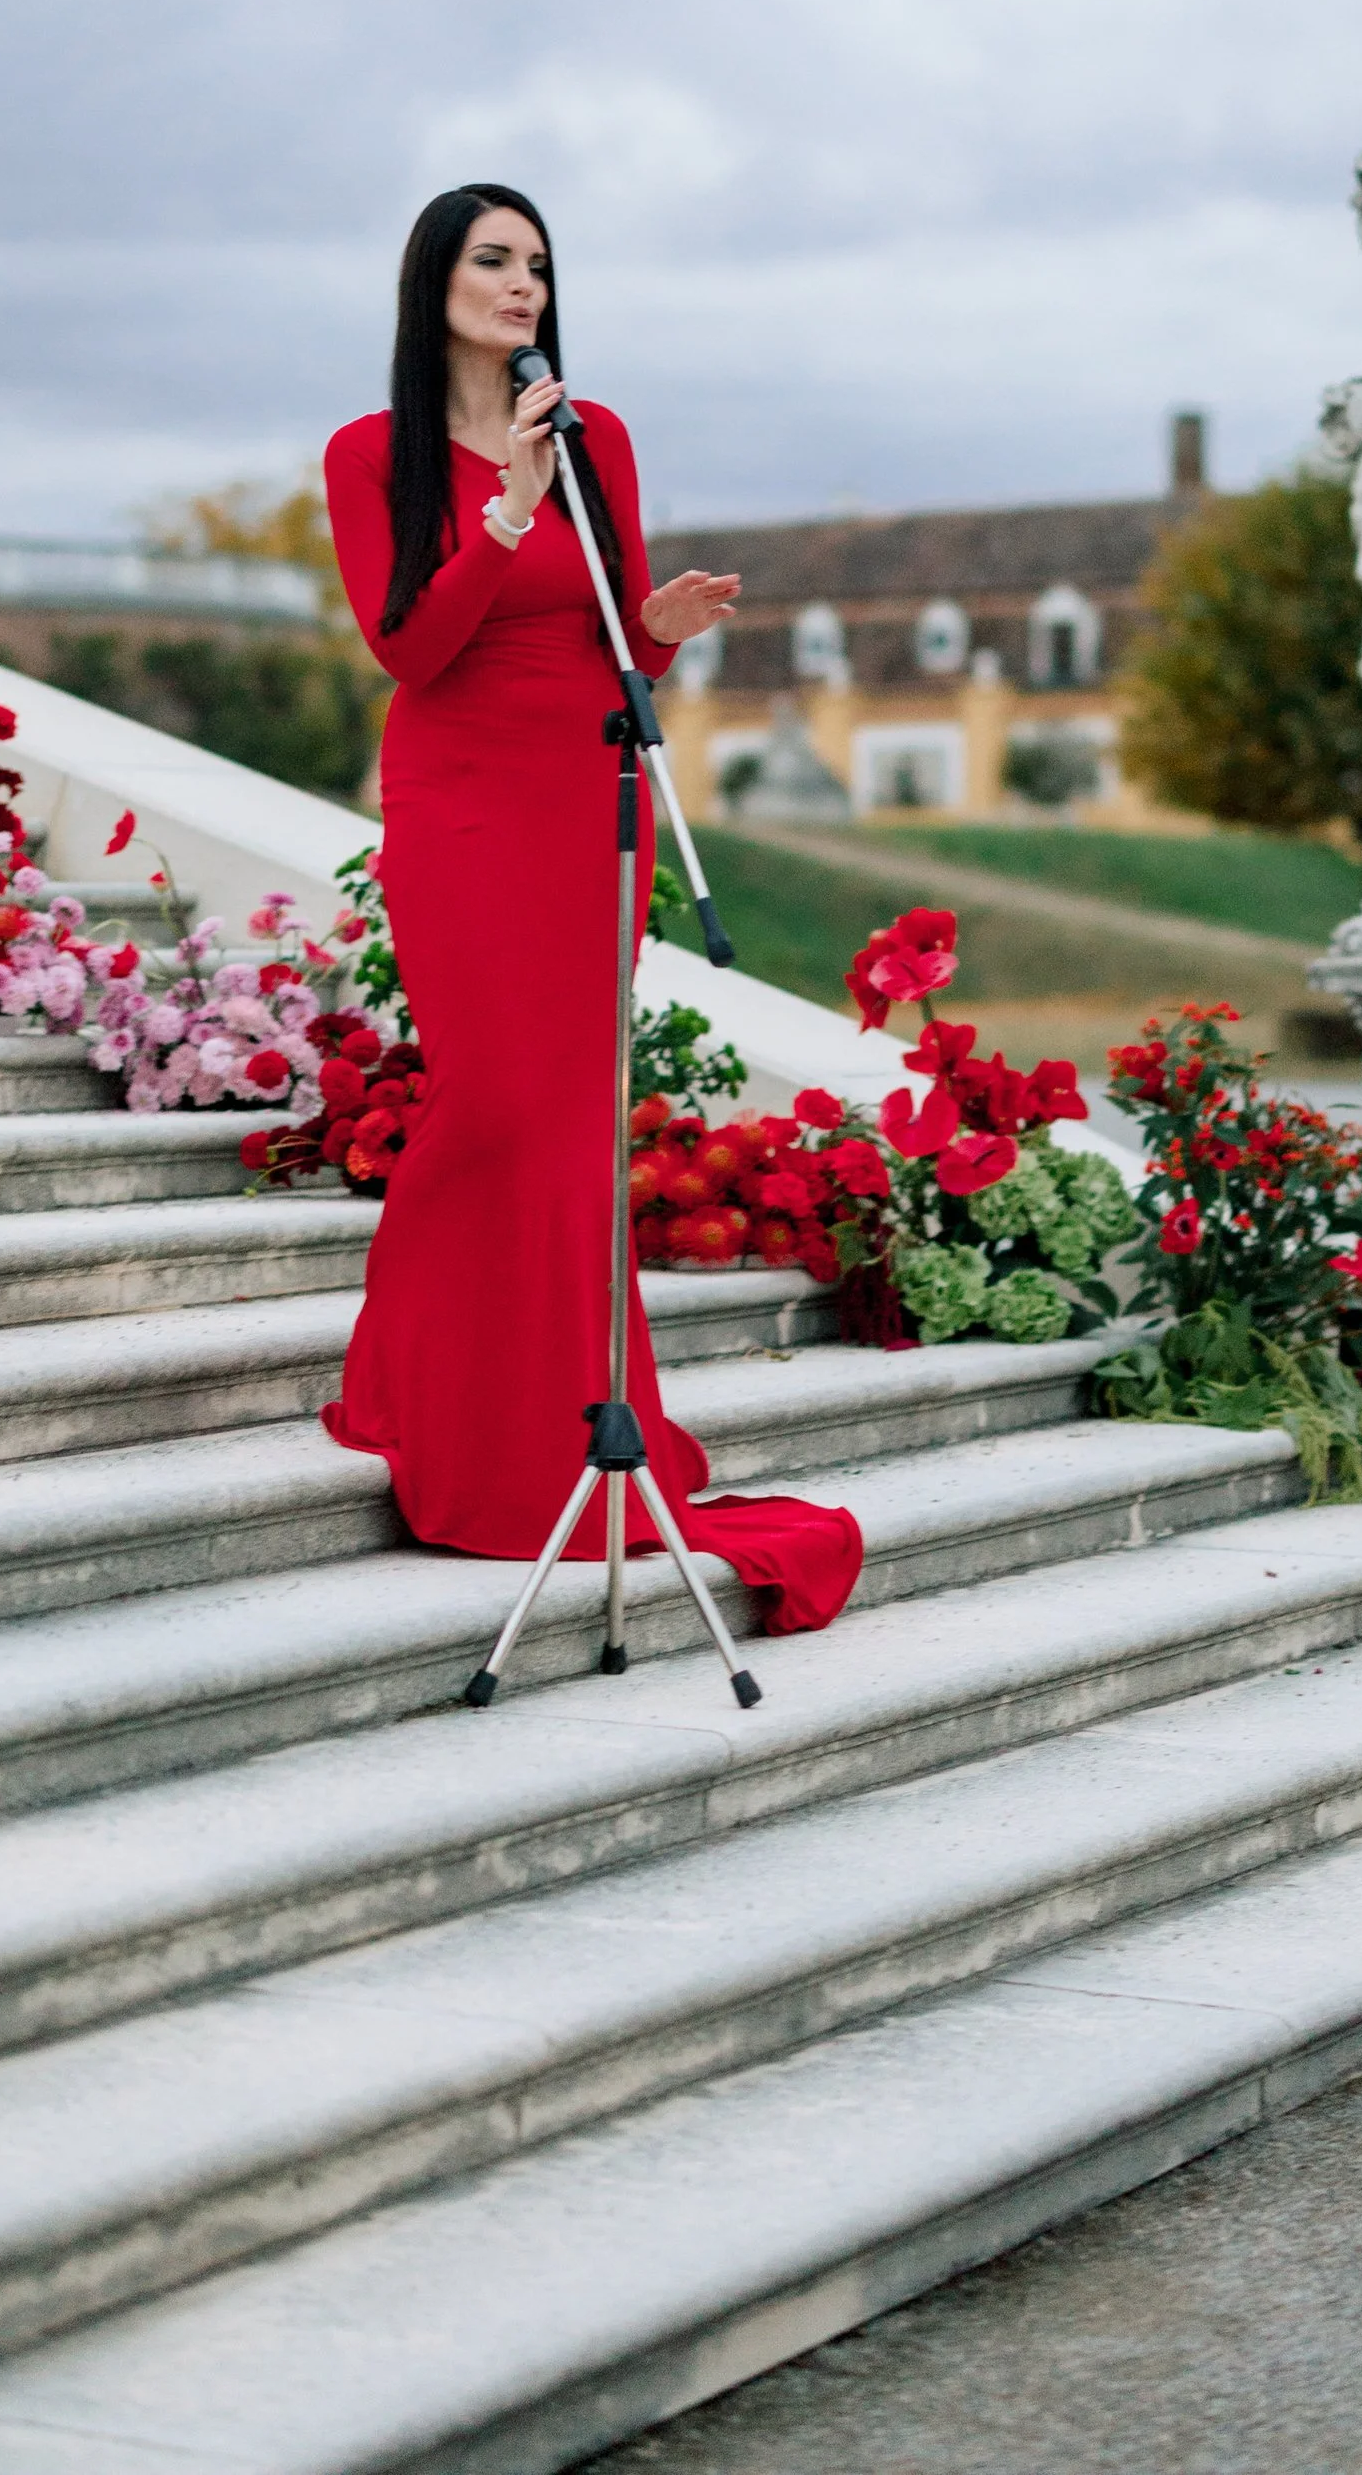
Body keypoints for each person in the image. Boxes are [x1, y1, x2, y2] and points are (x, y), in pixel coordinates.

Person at [320, 184, 863, 1636]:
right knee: (492, 1100)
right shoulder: (373, 454)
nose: (523, 285)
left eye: (540, 266)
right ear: (433, 277)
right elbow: (411, 646)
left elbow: (614, 630)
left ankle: (555, 1421)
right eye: (495, 260)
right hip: (461, 796)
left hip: (588, 802)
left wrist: (669, 632)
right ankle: (418, 1386)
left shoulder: (597, 436)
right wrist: (500, 512)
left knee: (569, 1113)